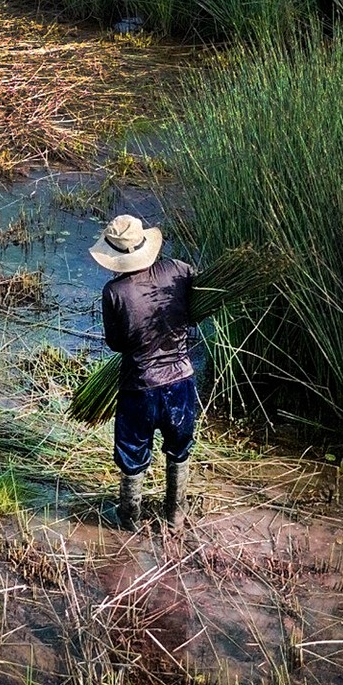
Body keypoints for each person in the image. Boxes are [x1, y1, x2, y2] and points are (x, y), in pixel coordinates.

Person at [92, 214, 197, 528]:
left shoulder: (115, 292)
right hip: (181, 382)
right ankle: (176, 516)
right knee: (179, 448)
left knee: (132, 453)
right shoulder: (179, 270)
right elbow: (196, 308)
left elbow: (116, 343)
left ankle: (129, 520)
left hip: (140, 387)